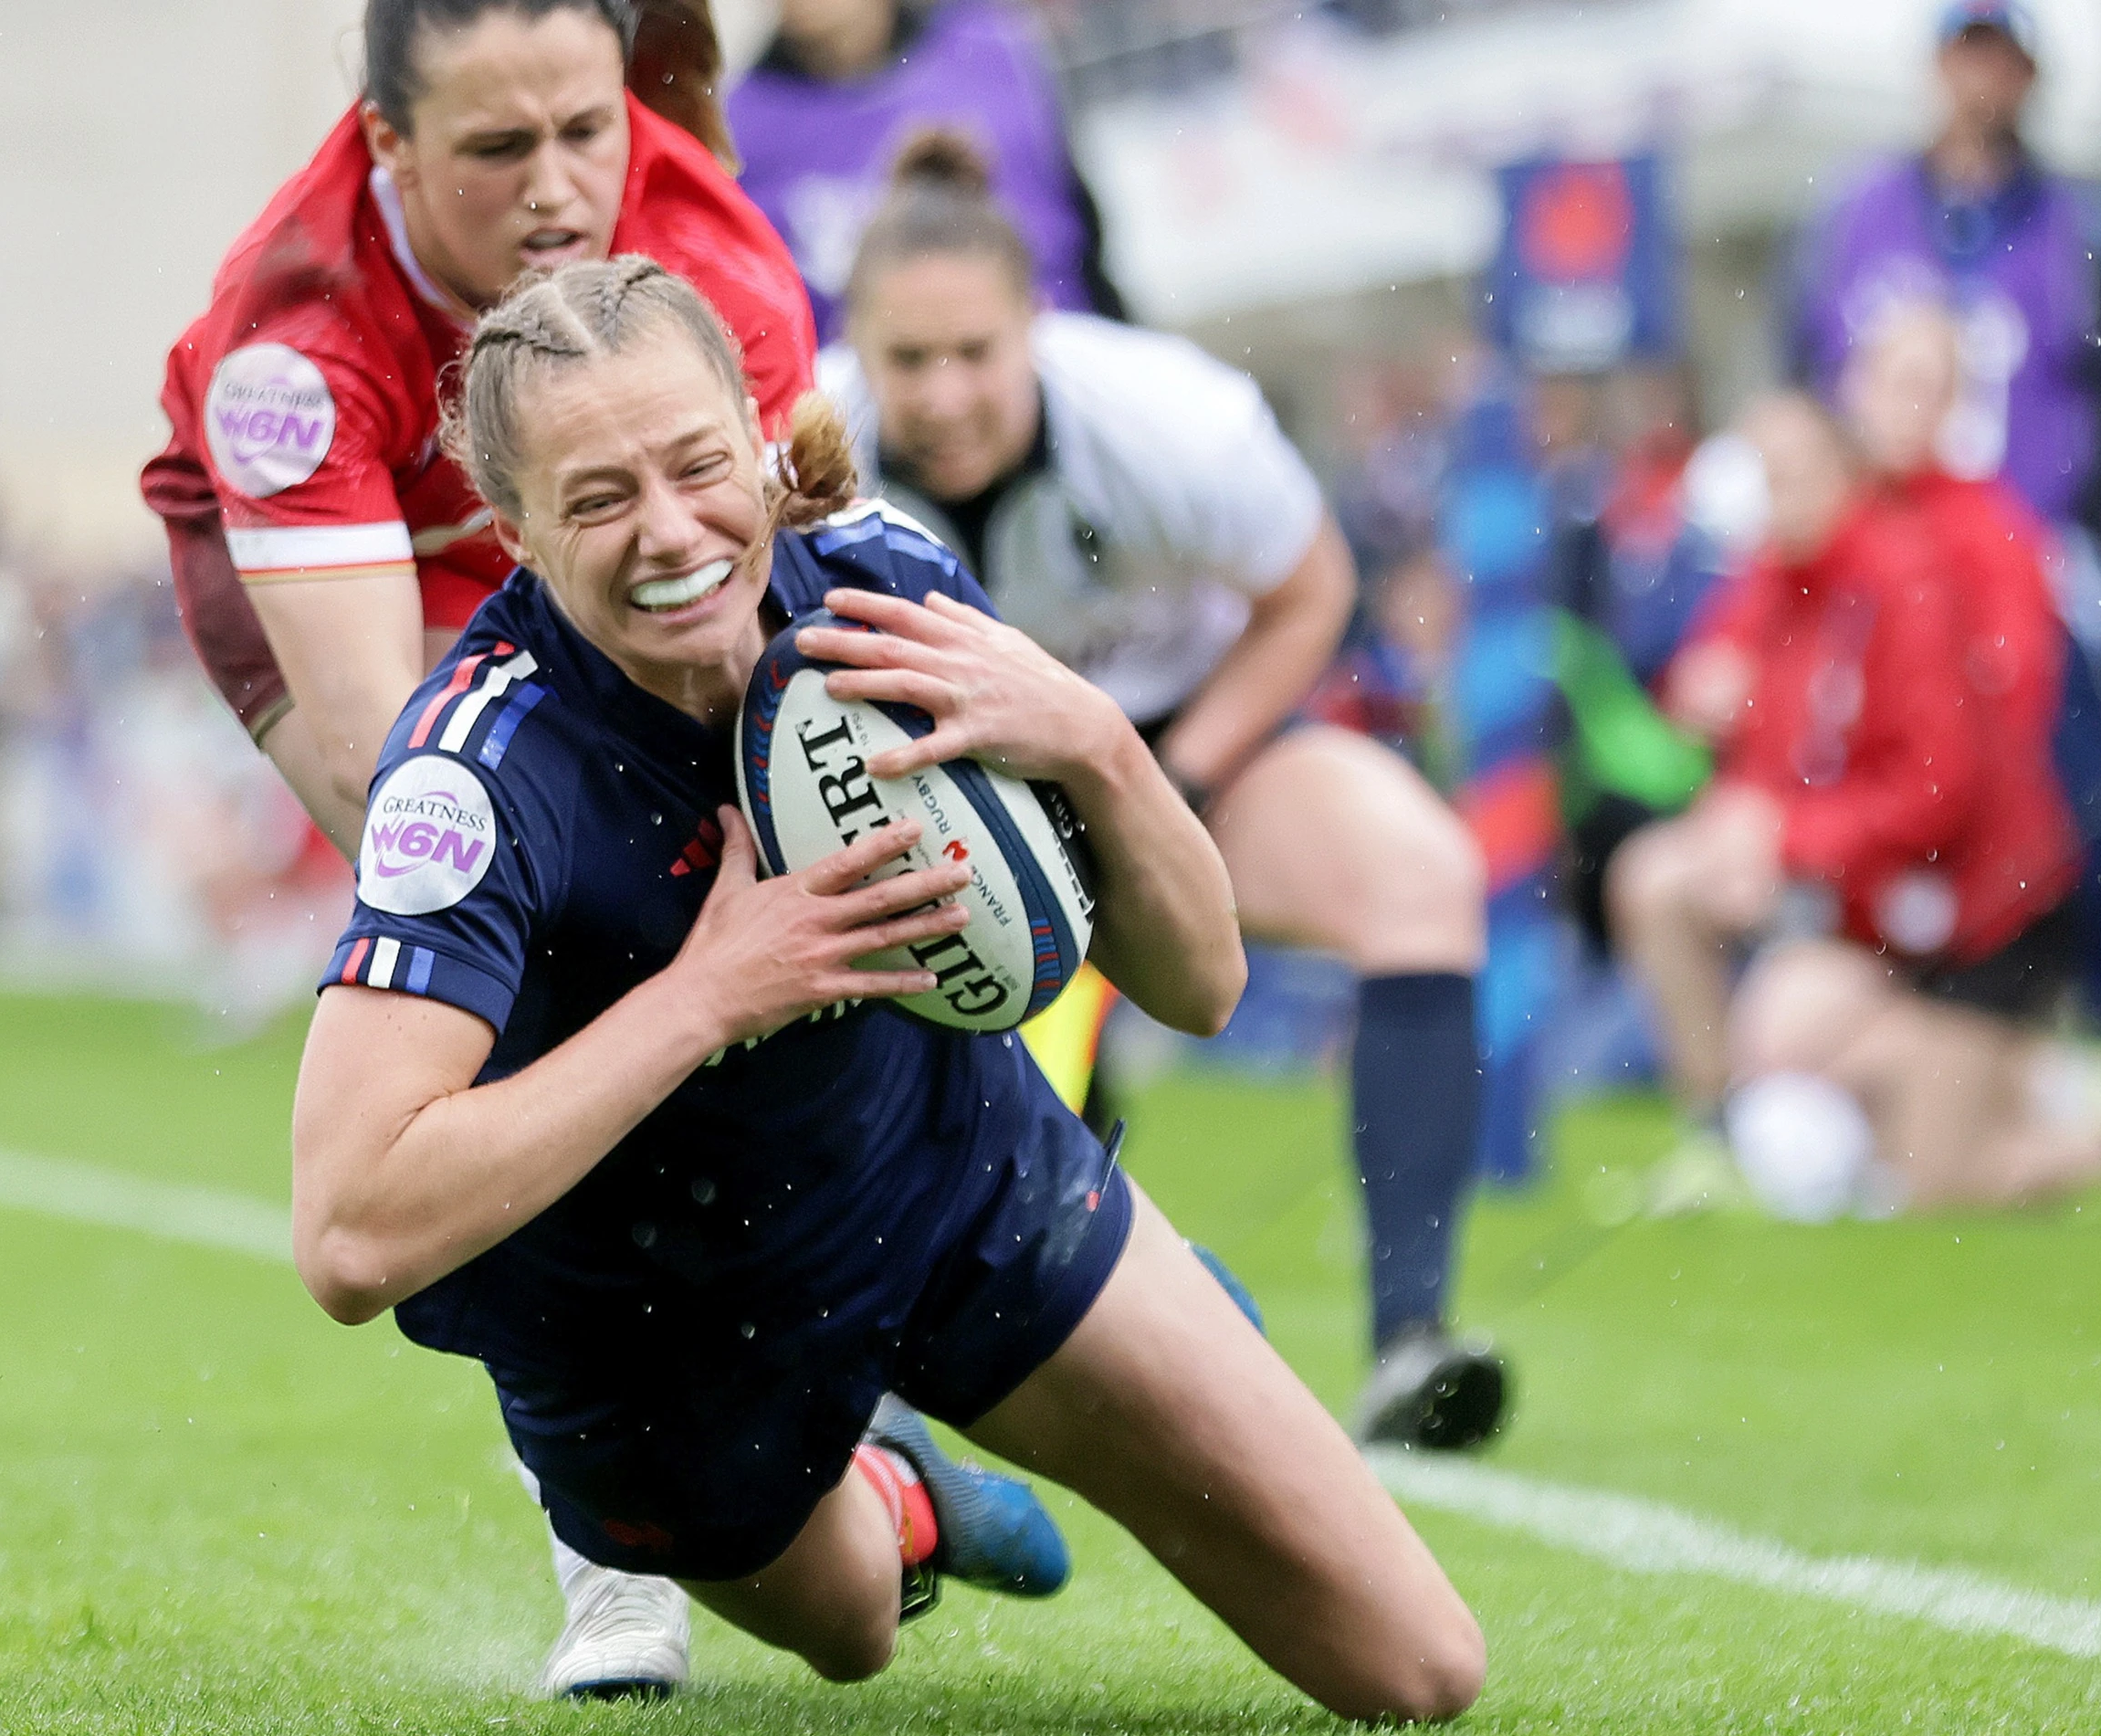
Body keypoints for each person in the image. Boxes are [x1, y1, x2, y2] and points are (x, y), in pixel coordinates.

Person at [291, 254, 1486, 1719]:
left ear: (757, 428)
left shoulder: (881, 578)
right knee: (854, 1626)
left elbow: (1201, 984)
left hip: (950, 1188)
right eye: (598, 499)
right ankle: (897, 1479)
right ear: (516, 533)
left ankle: (1105, 1319)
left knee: (1419, 1672)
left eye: (696, 464)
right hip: (645, 1332)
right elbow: (351, 1232)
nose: (671, 532)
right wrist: (711, 991)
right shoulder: (475, 776)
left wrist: (1098, 743)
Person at [820, 137, 1508, 1451]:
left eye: (976, 353)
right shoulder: (802, 453)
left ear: (1039, 324)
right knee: (1004, 1161)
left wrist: (1164, 780)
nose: (946, 393)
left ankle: (1410, 1342)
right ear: (858, 349)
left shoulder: (1169, 418)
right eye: (909, 361)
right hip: (939, 788)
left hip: (1184, 747)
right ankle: (874, 1376)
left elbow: (1308, 592)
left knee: (1422, 874)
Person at [140, 0, 814, 859]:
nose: (552, 190)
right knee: (465, 852)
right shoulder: (293, 358)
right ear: (390, 140)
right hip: (353, 559)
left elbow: (779, 600)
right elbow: (376, 747)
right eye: (499, 148)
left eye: (587, 130)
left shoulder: (719, 269)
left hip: (577, 515)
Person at [1781, 0, 2101, 1051]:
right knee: (1876, 795)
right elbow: (1798, 389)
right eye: (1966, 53)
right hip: (1883, 566)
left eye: (2002, 57)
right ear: (1936, 64)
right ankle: (1880, 1051)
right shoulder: (1855, 219)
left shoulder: (2089, 229)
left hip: (2028, 558)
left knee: (2078, 807)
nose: (1983, 79)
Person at [1604, 386, 2101, 1212]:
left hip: (1976, 913)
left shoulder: (1905, 580)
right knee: (1659, 882)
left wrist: (1784, 837)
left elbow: (1938, 792)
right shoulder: (1772, 578)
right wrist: (1717, 757)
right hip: (1864, 908)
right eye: (1763, 477)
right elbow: (1737, 724)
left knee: (1935, 1185)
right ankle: (1726, 1134)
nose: (1776, 497)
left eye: (1791, 474)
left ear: (1843, 470)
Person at [723, 0, 1121, 338]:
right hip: (874, 412)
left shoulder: (987, 49)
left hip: (1052, 362)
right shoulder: (742, 131)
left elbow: (1081, 236)